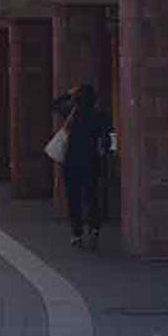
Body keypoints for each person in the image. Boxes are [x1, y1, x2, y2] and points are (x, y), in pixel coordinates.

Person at [52, 84, 113, 250]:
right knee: (92, 196)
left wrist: (67, 92)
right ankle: (94, 228)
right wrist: (109, 153)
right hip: (92, 162)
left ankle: (76, 233)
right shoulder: (100, 116)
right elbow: (111, 137)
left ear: (76, 100)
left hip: (71, 162)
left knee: (74, 199)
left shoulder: (72, 114)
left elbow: (54, 104)